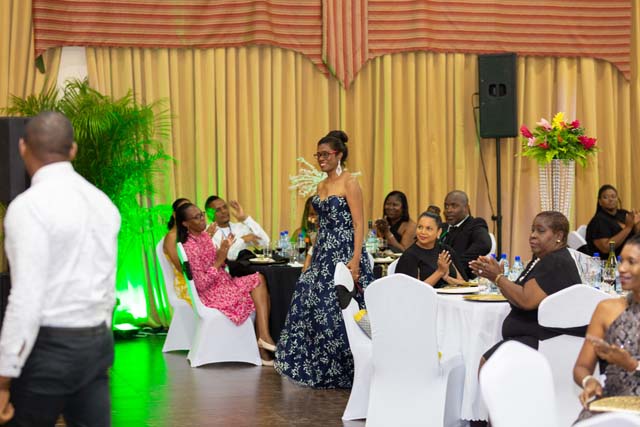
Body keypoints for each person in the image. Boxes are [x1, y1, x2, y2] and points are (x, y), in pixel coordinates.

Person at [0, 111, 120, 426]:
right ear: (73, 150)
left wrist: (4, 376)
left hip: (48, 348)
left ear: (22, 147)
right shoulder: (103, 203)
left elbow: (26, 297)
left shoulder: (27, 207)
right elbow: (108, 285)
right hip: (96, 344)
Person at [275, 130, 375, 388]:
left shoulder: (350, 182)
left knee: (340, 310)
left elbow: (358, 224)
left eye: (325, 154)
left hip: (344, 251)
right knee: (312, 305)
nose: (321, 159)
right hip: (323, 252)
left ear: (338, 155)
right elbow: (320, 228)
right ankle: (320, 366)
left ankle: (351, 369)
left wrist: (355, 260)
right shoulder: (321, 186)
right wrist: (310, 257)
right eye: (318, 155)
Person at [470, 211, 582, 361]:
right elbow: (517, 296)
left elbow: (525, 300)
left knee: (490, 363)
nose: (533, 235)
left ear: (559, 236)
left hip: (548, 340)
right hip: (533, 336)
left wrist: (497, 277)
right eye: (532, 230)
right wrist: (494, 276)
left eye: (540, 231)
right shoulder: (542, 259)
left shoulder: (556, 262)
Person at [176, 203, 277, 365]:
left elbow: (214, 262)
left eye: (202, 214)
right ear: (185, 223)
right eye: (196, 217)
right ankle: (263, 342)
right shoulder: (190, 246)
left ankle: (263, 338)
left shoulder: (203, 237)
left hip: (224, 283)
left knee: (259, 279)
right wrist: (219, 260)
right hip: (212, 293)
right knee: (260, 292)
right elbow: (201, 284)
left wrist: (223, 250)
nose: (202, 219)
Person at [573, 234, 640, 422]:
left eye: (631, 262)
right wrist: (589, 381)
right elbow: (582, 366)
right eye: (621, 260)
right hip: (611, 403)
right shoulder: (606, 309)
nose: (622, 268)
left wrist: (632, 365)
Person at [395, 211, 467, 288]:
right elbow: (415, 290)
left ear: (439, 232)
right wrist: (439, 272)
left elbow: (464, 283)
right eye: (420, 227)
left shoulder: (444, 250)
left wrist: (447, 278)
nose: (423, 232)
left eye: (428, 228)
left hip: (451, 294)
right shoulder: (409, 256)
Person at [440, 190, 491, 278]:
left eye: (454, 206)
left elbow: (484, 244)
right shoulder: (441, 227)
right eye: (446, 206)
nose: (448, 210)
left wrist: (455, 265)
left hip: (463, 278)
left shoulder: (475, 224)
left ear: (466, 208)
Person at [205, 196, 270, 261]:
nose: (223, 211)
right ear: (209, 214)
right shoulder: (208, 232)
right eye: (218, 210)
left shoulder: (238, 227)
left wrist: (245, 219)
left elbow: (265, 242)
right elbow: (228, 256)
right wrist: (242, 240)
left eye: (225, 207)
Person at [586, 184, 640, 258]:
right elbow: (606, 248)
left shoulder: (624, 213)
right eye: (606, 197)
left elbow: (636, 236)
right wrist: (628, 228)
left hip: (633, 254)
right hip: (610, 262)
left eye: (613, 196)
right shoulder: (598, 221)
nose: (610, 199)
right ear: (600, 201)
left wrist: (636, 224)